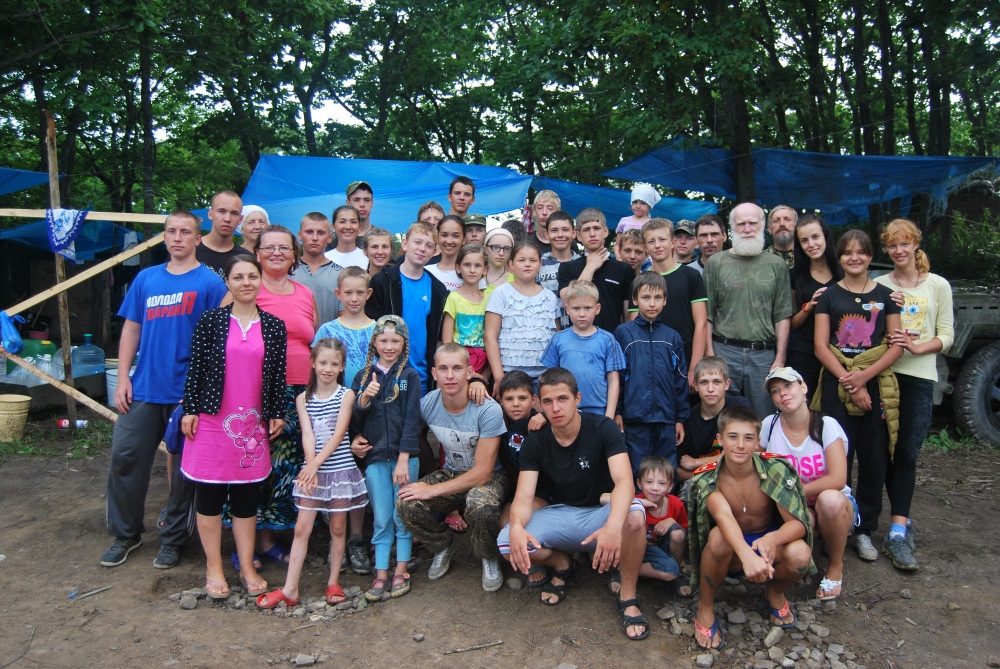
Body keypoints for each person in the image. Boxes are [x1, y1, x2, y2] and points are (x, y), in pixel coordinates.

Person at [101, 211, 228, 569]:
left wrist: (201, 393)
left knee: (186, 473)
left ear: (198, 239)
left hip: (186, 393)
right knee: (126, 457)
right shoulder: (146, 278)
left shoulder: (210, 284)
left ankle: (173, 539)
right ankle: (126, 534)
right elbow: (131, 329)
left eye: (185, 232)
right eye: (171, 231)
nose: (177, 237)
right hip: (143, 388)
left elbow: (218, 342)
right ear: (164, 237)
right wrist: (123, 377)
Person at [497, 367, 650, 640]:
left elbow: (625, 482)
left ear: (577, 398)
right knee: (508, 542)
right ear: (539, 403)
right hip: (563, 514)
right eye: (548, 401)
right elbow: (523, 496)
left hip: (601, 513)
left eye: (563, 399)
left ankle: (628, 597)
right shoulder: (535, 442)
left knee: (634, 516)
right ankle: (562, 563)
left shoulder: (602, 428)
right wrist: (517, 526)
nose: (556, 408)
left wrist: (613, 526)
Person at [180, 256, 287, 598]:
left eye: (252, 276)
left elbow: (277, 376)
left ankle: (245, 566)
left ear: (260, 280)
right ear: (227, 282)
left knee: (246, 498)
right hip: (212, 421)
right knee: (210, 495)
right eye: (238, 277)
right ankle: (213, 567)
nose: (246, 283)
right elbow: (196, 368)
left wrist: (277, 412)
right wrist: (190, 409)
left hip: (252, 426)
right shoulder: (211, 321)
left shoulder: (274, 326)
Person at [688, 406, 814, 650]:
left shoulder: (775, 469)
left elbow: (798, 525)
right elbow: (723, 516)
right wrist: (747, 555)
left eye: (748, 438)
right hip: (731, 552)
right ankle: (705, 605)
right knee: (718, 536)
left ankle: (774, 591)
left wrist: (772, 539)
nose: (740, 445)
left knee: (800, 555)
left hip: (769, 548)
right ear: (720, 440)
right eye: (733, 437)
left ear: (758, 441)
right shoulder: (707, 478)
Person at [256, 338, 367, 609]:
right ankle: (290, 588)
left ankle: (333, 582)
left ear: (342, 367)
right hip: (313, 470)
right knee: (302, 528)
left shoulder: (346, 395)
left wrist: (314, 465)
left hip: (339, 469)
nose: (328, 369)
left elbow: (339, 434)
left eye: (334, 364)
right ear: (313, 363)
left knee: (338, 527)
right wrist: (310, 466)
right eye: (323, 363)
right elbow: (307, 434)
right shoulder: (302, 399)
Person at [813, 229, 902, 565]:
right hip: (836, 384)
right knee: (837, 457)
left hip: (875, 384)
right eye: (847, 252)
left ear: (870, 256)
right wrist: (850, 382)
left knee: (874, 458)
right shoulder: (829, 296)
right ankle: (837, 526)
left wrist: (864, 377)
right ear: (840, 257)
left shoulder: (886, 296)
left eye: (861, 252)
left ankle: (864, 528)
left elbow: (896, 345)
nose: (854, 258)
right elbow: (821, 346)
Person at [396, 344, 510, 592]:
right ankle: (443, 545)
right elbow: (406, 428)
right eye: (443, 369)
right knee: (406, 501)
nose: (450, 376)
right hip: (453, 471)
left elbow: (483, 473)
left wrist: (432, 490)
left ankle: (488, 555)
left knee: (479, 503)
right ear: (434, 373)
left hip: (491, 477)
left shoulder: (488, 409)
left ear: (469, 372)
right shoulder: (429, 403)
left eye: (457, 368)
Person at [874, 218, 954, 571]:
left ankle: (898, 530)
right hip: (885, 375)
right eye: (892, 245)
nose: (898, 250)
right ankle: (885, 523)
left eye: (904, 243)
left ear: (916, 244)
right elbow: (870, 333)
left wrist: (919, 348)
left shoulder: (937, 285)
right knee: (880, 452)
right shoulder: (880, 285)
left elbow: (947, 334)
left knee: (906, 452)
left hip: (919, 377)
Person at [251, 224, 321, 564]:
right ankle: (253, 542)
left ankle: (286, 537)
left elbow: (312, 339)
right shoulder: (247, 288)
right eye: (269, 247)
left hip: (301, 391)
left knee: (290, 467)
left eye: (284, 247)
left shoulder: (305, 293)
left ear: (295, 255)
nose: (276, 253)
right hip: (259, 391)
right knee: (258, 464)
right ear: (257, 254)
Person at [760, 367, 855, 601]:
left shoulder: (825, 424)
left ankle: (835, 565)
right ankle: (798, 564)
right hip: (794, 507)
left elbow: (838, 479)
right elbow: (755, 464)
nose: (783, 393)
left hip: (833, 503)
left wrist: (794, 490)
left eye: (788, 385)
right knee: (804, 522)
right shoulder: (769, 425)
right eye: (775, 391)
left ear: (803, 387)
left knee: (829, 500)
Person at [350, 316, 423, 601]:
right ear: (375, 343)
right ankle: (381, 573)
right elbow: (355, 421)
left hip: (405, 461)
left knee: (402, 516)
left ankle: (401, 570)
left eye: (395, 340)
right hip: (376, 460)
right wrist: (364, 399)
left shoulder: (410, 377)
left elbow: (412, 419)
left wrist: (405, 457)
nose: (389, 346)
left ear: (404, 343)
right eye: (383, 340)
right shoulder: (363, 377)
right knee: (381, 519)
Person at [704, 202, 794, 417]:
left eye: (752, 223)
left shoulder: (777, 265)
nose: (747, 229)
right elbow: (707, 314)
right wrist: (710, 354)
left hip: (763, 356)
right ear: (732, 227)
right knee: (723, 418)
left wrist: (780, 359)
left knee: (765, 418)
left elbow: (782, 315)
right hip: (724, 351)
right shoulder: (715, 263)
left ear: (763, 225)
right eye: (741, 224)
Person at [613, 272, 688, 473]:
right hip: (634, 418)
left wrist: (680, 419)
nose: (652, 303)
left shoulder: (672, 337)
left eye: (657, 297)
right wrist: (618, 411)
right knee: (637, 470)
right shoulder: (623, 333)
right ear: (635, 299)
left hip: (666, 419)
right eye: (646, 297)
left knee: (666, 471)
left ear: (665, 300)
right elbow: (617, 377)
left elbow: (680, 380)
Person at [366, 222, 448, 395]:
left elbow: (438, 339)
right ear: (405, 244)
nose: (422, 248)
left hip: (422, 378)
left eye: (429, 246)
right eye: (417, 242)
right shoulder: (382, 282)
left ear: (435, 252)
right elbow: (370, 329)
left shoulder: (438, 290)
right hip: (386, 376)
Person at [636, 217, 708, 388]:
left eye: (662, 239)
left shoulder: (691, 276)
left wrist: (694, 368)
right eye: (651, 241)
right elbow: (635, 326)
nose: (657, 245)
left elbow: (701, 324)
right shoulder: (640, 281)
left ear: (673, 242)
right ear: (645, 248)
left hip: (685, 356)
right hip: (651, 359)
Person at [602, 455, 690, 595]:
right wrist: (638, 502)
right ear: (639, 483)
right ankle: (623, 570)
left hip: (661, 549)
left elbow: (684, 530)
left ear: (670, 487)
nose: (655, 488)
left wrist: (672, 521)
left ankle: (675, 574)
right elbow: (603, 498)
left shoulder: (675, 504)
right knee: (669, 570)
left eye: (661, 483)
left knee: (678, 534)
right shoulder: (636, 499)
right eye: (649, 482)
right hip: (635, 549)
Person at [494, 371, 551, 585]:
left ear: (534, 399)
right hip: (517, 489)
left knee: (524, 518)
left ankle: (542, 559)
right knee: (504, 521)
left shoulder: (540, 423)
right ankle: (528, 558)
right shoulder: (501, 424)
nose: (516, 404)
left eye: (522, 398)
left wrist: (545, 415)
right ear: (500, 401)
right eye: (509, 399)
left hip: (544, 490)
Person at [541, 280, 625, 418]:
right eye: (576, 308)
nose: (581, 314)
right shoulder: (558, 339)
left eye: (587, 308)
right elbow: (550, 379)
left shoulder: (607, 340)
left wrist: (609, 416)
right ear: (567, 309)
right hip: (566, 412)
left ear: (597, 308)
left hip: (599, 413)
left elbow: (614, 381)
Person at [485, 241, 561, 395]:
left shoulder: (550, 297)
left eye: (533, 260)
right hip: (510, 374)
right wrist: (498, 376)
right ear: (511, 264)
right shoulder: (501, 293)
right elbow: (490, 337)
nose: (527, 264)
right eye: (521, 260)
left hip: (545, 376)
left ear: (540, 264)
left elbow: (557, 338)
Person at [788, 213, 842, 401]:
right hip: (805, 353)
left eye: (815, 237)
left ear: (825, 236)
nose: (811, 244)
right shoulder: (794, 275)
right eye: (804, 240)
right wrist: (808, 307)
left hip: (841, 353)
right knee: (805, 407)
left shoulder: (844, 271)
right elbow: (791, 325)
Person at [557, 208, 634, 334]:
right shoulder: (567, 268)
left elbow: (628, 316)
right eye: (586, 229)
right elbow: (569, 300)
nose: (592, 234)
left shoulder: (623, 269)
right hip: (578, 340)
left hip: (613, 340)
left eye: (597, 228)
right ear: (578, 235)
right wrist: (590, 267)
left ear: (606, 232)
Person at [677, 357, 751, 483]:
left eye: (717, 382)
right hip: (697, 483)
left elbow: (744, 452)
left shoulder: (739, 407)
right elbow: (677, 472)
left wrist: (696, 463)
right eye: (704, 382)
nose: (710, 389)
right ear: (695, 385)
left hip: (735, 479)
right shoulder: (686, 419)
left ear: (727, 384)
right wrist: (712, 469)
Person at [313, 266, 376, 412]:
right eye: (348, 293)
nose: (354, 298)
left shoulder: (378, 330)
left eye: (360, 292)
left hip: (370, 406)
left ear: (368, 293)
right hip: (333, 406)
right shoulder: (326, 330)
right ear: (338, 294)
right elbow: (315, 369)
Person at [442, 244, 490, 374]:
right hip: (458, 362)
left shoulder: (489, 300)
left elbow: (492, 338)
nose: (472, 270)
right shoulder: (453, 298)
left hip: (483, 361)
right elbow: (447, 340)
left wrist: (485, 375)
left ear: (485, 269)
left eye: (477, 265)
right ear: (458, 268)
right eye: (467, 265)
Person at [292, 212, 343, 326]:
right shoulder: (287, 272)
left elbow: (346, 319)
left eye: (320, 233)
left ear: (329, 237)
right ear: (300, 235)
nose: (314, 238)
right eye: (309, 232)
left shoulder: (341, 274)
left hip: (330, 337)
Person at [537, 211, 579, 329]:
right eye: (554, 230)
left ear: (574, 233)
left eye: (565, 230)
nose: (560, 235)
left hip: (578, 329)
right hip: (545, 329)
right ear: (546, 234)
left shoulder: (583, 263)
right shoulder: (538, 264)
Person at [197, 190, 253, 276]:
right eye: (222, 211)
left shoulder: (247, 258)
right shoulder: (190, 250)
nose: (227, 219)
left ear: (240, 219)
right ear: (210, 214)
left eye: (234, 213)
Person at [614, 183, 660, 255]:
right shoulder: (624, 221)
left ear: (650, 205)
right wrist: (619, 258)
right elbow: (617, 244)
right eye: (635, 202)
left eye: (643, 203)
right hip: (625, 259)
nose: (638, 206)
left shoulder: (652, 224)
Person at [426, 215, 465, 291]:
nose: (449, 241)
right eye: (444, 235)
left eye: (455, 236)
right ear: (437, 238)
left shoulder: (470, 272)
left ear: (464, 240)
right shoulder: (426, 271)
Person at [325, 205, 368, 270]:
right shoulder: (325, 258)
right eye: (342, 222)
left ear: (359, 227)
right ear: (333, 227)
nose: (348, 227)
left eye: (353, 222)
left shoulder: (367, 259)